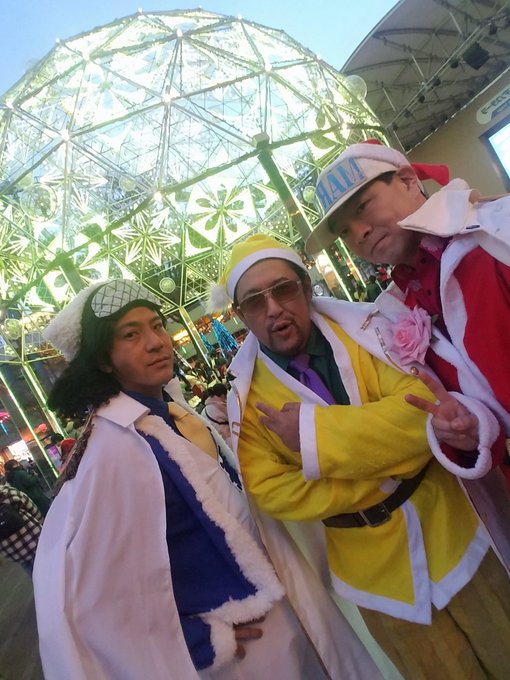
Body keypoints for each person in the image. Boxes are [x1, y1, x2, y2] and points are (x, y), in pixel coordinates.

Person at [34, 278, 382, 680]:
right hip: (242, 648)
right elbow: (86, 592)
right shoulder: (111, 449)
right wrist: (194, 640)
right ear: (103, 361)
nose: (156, 342)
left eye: (157, 325)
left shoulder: (166, 412)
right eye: (131, 335)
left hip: (284, 613)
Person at [209, 234, 510, 680]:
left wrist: (312, 436)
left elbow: (420, 411)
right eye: (255, 301)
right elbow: (272, 492)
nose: (273, 309)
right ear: (240, 315)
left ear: (306, 288)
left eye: (283, 289)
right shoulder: (247, 401)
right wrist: (391, 461)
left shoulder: (369, 334)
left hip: (454, 536)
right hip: (375, 580)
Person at [305, 140, 510, 560]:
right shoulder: (398, 309)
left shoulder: (498, 231)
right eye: (343, 230)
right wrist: (470, 428)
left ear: (408, 180)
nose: (358, 233)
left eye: (362, 207)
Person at [0, 482, 44, 576]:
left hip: (17, 555)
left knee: (40, 579)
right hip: (38, 541)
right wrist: (42, 525)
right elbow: (32, 508)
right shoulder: (7, 492)